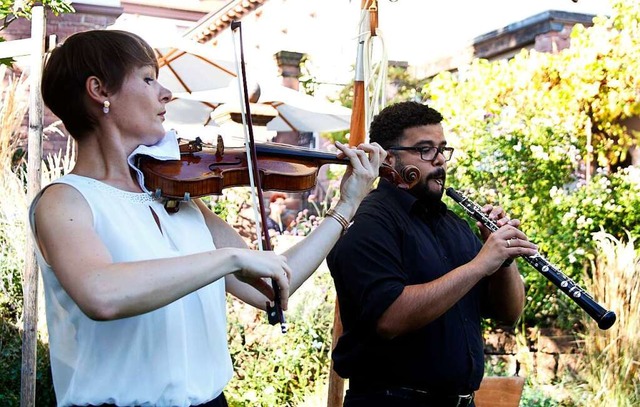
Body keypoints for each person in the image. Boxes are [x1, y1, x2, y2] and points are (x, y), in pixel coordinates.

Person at [30, 30, 385, 407]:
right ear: (99, 90)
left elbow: (272, 286)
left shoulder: (176, 198)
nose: (165, 93)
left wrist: (345, 206)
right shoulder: (66, 201)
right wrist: (227, 258)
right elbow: (101, 295)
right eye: (148, 78)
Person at [326, 101, 538, 407]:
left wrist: (503, 258)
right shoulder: (368, 222)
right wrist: (479, 265)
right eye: (425, 150)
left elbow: (509, 314)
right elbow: (389, 318)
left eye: (442, 149)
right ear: (387, 157)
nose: (439, 161)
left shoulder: (454, 224)